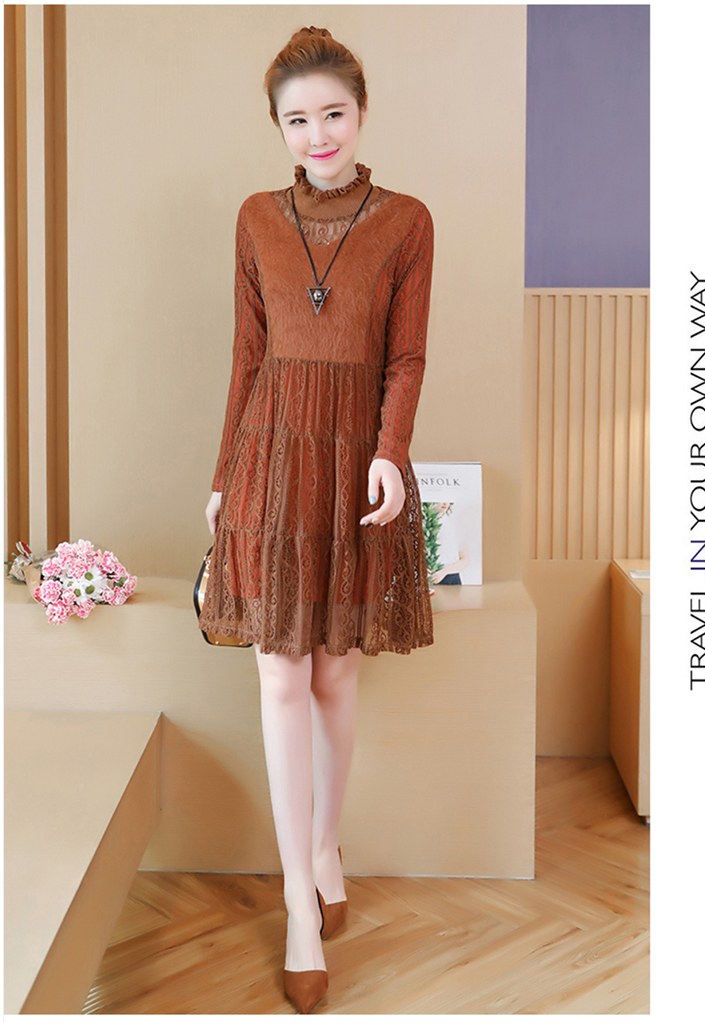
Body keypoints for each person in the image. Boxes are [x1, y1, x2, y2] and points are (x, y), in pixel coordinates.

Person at [198, 25, 435, 1013]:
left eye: (334, 112)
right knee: (279, 675)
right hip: (270, 459)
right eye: (298, 119)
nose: (319, 133)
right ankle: (300, 897)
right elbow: (246, 356)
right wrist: (223, 478)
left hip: (354, 466)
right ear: (279, 127)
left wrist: (389, 451)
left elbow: (405, 357)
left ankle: (328, 846)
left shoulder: (408, 222)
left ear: (362, 111)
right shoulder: (256, 218)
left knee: (335, 673)